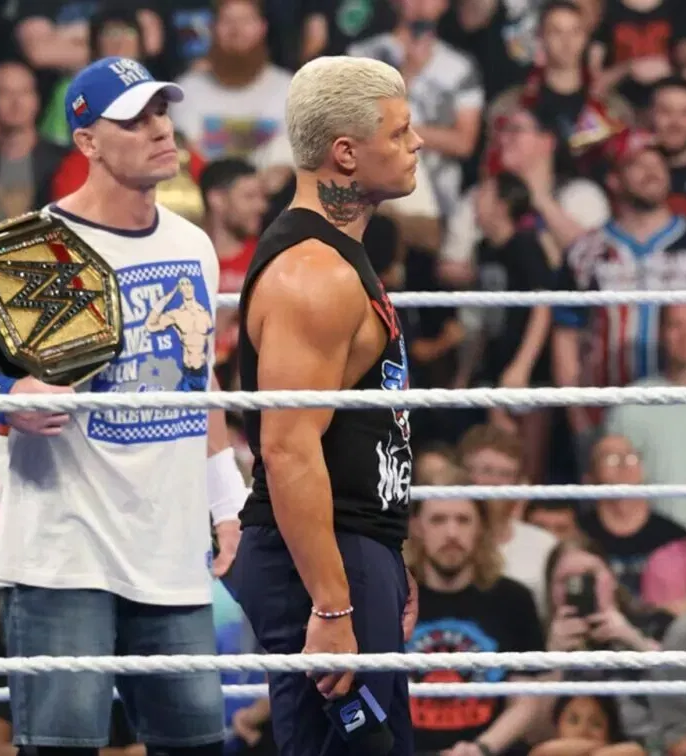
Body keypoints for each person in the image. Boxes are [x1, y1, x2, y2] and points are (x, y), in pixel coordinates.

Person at [0, 56, 246, 756]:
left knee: (200, 745)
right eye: (132, 119)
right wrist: (1, 395)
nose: (157, 129)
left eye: (160, 112)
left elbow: (197, 378)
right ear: (87, 142)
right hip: (64, 554)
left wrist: (225, 498)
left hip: (171, 553)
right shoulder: (39, 245)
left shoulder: (193, 244)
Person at [226, 55, 422, 756]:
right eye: (399, 133)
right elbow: (285, 447)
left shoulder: (340, 259)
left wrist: (393, 554)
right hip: (318, 554)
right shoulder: (313, 274)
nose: (417, 143)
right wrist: (332, 602)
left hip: (350, 544)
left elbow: (364, 430)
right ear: (345, 153)